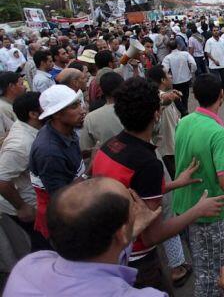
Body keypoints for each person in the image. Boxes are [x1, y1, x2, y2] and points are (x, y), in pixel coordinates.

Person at [92, 77, 224, 293]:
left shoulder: (110, 146)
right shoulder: (148, 164)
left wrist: (175, 184)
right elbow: (152, 236)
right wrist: (197, 211)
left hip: (108, 249)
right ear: (157, 114)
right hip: (136, 258)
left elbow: (132, 191)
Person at [3, 177, 167, 296]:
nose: (137, 211)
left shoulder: (30, 265)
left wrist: (129, 232)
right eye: (133, 210)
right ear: (121, 233)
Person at [173, 73, 224, 297]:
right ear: (222, 94)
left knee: (201, 262)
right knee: (209, 276)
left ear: (194, 95)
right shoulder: (217, 133)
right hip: (205, 212)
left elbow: (193, 149)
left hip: (182, 206)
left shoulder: (185, 121)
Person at [29, 85, 86, 240]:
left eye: (79, 103)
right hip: (63, 221)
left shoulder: (65, 130)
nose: (82, 110)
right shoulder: (49, 152)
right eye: (74, 106)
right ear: (57, 115)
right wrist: (89, 171)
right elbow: (61, 196)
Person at [0, 92, 50, 251]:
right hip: (28, 205)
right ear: (34, 114)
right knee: (43, 245)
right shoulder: (21, 144)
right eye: (46, 107)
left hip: (36, 199)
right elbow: (2, 180)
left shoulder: (32, 128)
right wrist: (21, 207)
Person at [147, 65, 182, 179]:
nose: (170, 76)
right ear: (162, 79)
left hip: (172, 146)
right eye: (168, 74)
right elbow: (162, 98)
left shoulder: (165, 94)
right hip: (166, 149)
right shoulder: (158, 96)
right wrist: (169, 97)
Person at [79, 72, 124, 153]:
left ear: (101, 90)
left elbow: (85, 150)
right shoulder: (134, 110)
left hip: (106, 162)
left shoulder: (91, 118)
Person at [162, 39, 197, 117]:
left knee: (176, 98)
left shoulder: (167, 58)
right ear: (178, 46)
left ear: (169, 48)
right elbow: (193, 64)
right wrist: (191, 72)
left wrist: (168, 78)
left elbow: (164, 70)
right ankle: (185, 112)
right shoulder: (185, 54)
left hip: (175, 81)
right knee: (185, 97)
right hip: (186, 79)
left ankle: (184, 112)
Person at [205, 25, 224, 98]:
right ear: (212, 32)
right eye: (214, 30)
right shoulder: (209, 41)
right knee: (216, 82)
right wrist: (214, 60)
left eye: (217, 30)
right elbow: (207, 53)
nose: (215, 32)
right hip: (213, 65)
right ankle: (217, 96)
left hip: (223, 64)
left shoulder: (223, 40)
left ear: (219, 31)